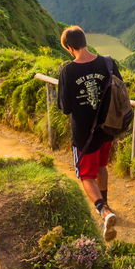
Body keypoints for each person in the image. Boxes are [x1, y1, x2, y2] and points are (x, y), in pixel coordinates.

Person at [56, 25, 121, 241]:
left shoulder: (68, 71)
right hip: (107, 129)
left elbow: (65, 108)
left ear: (68, 47)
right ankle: (107, 204)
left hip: (85, 135)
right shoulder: (108, 63)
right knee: (102, 167)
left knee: (86, 175)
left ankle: (104, 211)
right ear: (84, 40)